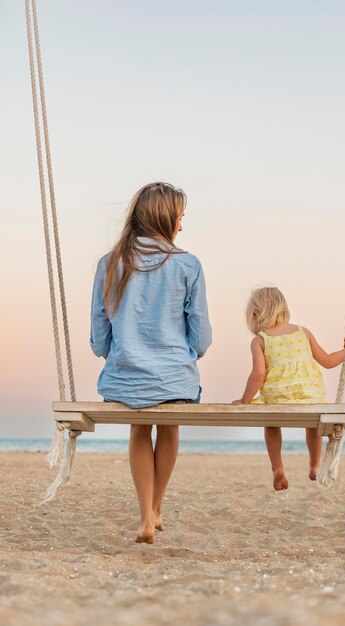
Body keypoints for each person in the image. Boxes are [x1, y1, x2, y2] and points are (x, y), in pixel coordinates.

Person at [90, 182, 212, 544]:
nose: (181, 226)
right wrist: (184, 356)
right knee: (169, 427)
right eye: (179, 217)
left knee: (139, 428)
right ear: (165, 217)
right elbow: (201, 335)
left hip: (125, 379)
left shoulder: (109, 263)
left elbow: (99, 337)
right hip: (175, 378)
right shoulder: (187, 264)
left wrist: (120, 353)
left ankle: (146, 515)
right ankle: (154, 510)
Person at [233, 287, 345, 490]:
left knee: (271, 423)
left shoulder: (260, 340)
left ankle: (278, 468)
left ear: (255, 314)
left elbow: (258, 375)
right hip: (310, 397)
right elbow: (327, 361)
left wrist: (244, 401)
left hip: (277, 400)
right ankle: (315, 465)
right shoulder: (303, 332)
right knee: (313, 423)